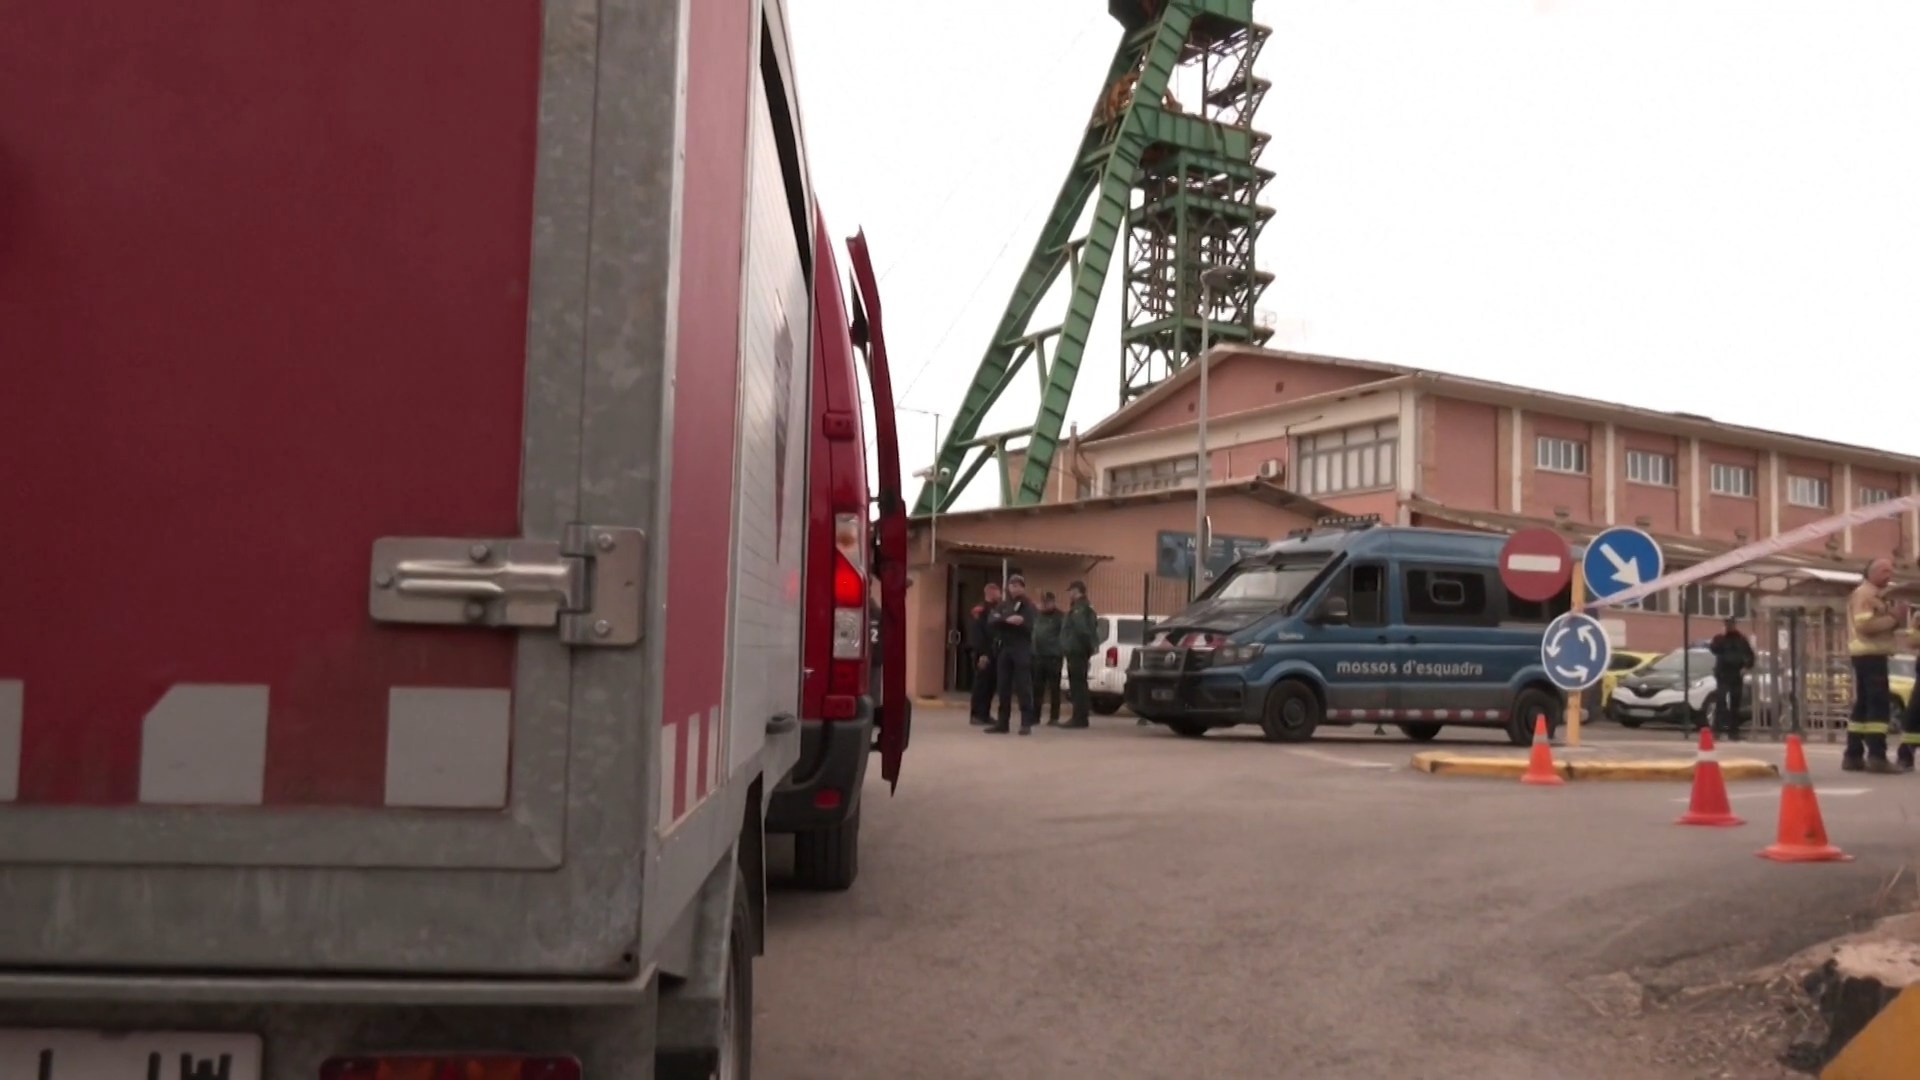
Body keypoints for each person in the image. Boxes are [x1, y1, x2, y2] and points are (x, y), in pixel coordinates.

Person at [1845, 559, 1901, 774]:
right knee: (1878, 705)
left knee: (1863, 705)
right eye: (1885, 571)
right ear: (1873, 572)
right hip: (1871, 654)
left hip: (1865, 654)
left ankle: (1853, 755)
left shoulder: (1872, 595)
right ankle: (1877, 756)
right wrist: (1894, 618)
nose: (1889, 575)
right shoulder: (1866, 595)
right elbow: (1865, 626)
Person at [985, 574, 1038, 735]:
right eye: (1011, 585)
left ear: (1023, 587)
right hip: (1005, 648)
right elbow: (992, 619)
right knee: (1003, 686)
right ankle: (1002, 723)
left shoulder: (1028, 605)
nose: (1014, 588)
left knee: (1023, 686)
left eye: (1017, 585)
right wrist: (1007, 619)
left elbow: (1027, 623)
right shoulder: (1004, 604)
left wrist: (1007, 620)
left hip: (1021, 647)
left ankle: (1026, 723)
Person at [1707, 616, 1754, 740]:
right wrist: (1722, 636)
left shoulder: (1741, 639)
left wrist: (1746, 666)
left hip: (1736, 674)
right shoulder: (1720, 638)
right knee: (1721, 699)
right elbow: (1714, 648)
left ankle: (1734, 731)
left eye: (1731, 624)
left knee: (1735, 702)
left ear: (1734, 625)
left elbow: (1750, 655)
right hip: (1723, 674)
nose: (1729, 626)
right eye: (1727, 624)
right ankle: (1718, 728)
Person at [1061, 580, 1099, 729]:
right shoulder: (1085, 607)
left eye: (1071, 591)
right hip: (1079, 650)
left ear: (1076, 591)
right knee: (1080, 684)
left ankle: (1079, 718)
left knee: (1077, 686)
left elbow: (1082, 629)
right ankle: (1081, 717)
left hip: (1077, 651)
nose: (1070, 594)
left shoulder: (1079, 608)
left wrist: (1083, 647)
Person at [966, 582, 1002, 726]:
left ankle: (985, 714)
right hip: (983, 652)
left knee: (990, 685)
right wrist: (982, 653)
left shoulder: (996, 610)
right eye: (997, 592)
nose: (999, 595)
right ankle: (976, 714)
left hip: (994, 652)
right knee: (981, 684)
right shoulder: (980, 610)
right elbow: (977, 633)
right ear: (989, 592)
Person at [1031, 591, 1066, 726]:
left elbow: (1064, 635)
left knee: (1054, 688)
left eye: (1047, 602)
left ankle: (1054, 717)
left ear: (1053, 602)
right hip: (1039, 655)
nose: (1045, 605)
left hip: (1053, 656)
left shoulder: (1060, 617)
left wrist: (1058, 649)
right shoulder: (1038, 616)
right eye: (1043, 602)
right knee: (1037, 688)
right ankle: (1035, 716)